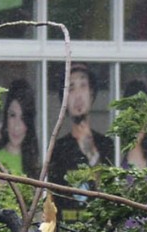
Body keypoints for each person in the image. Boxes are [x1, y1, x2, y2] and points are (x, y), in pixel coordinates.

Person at [47, 63, 115, 199]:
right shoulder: (58, 149)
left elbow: (110, 192)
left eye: (83, 86)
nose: (78, 96)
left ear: (91, 93)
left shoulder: (106, 144)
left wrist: (91, 153)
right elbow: (52, 196)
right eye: (71, 88)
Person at [0, 82, 39, 212]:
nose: (17, 126)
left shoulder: (33, 162)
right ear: (5, 117)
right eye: (12, 115)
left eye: (23, 117)